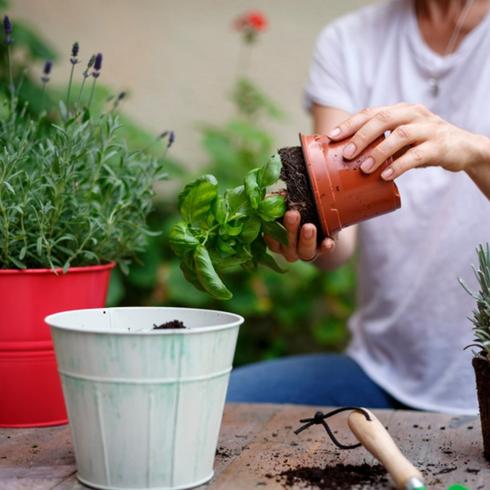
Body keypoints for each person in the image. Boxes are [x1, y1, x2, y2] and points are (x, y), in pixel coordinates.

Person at [227, 0, 490, 415]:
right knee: (212, 404)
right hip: (379, 374)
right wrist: (312, 232)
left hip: (481, 385)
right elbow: (339, 238)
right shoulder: (349, 41)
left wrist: (476, 153)